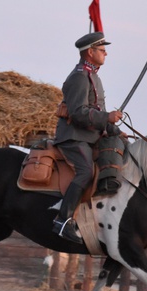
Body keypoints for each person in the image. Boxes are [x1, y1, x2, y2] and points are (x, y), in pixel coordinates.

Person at [53, 31, 123, 243]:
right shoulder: (78, 77)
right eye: (102, 50)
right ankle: (62, 220)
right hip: (74, 138)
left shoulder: (94, 77)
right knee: (84, 172)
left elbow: (96, 115)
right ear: (90, 52)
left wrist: (114, 129)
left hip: (90, 137)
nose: (106, 53)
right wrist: (107, 117)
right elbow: (78, 113)